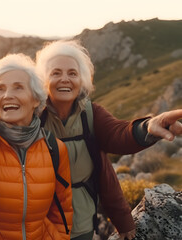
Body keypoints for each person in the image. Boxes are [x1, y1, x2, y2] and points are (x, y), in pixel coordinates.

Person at [35, 40, 182, 240]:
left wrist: (148, 127)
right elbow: (0, 117)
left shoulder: (91, 114)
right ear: (42, 80)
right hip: (37, 222)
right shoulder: (31, 116)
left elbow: (119, 134)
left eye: (72, 73)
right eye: (55, 73)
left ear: (82, 80)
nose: (64, 79)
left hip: (80, 222)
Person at [0, 53, 73, 239]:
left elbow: (63, 212)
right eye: (0, 89)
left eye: (18, 87)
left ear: (36, 99)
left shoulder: (55, 149)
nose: (7, 96)